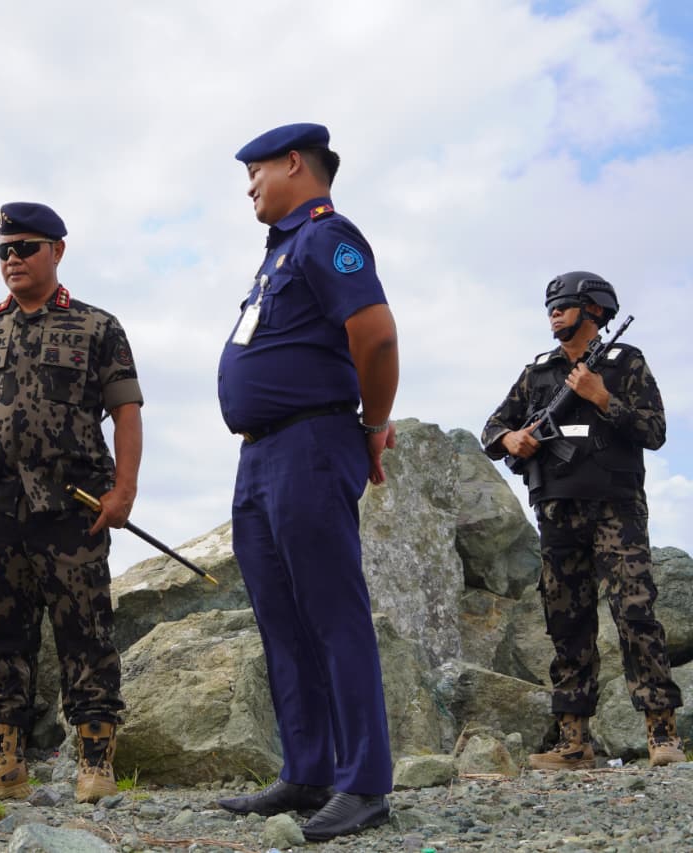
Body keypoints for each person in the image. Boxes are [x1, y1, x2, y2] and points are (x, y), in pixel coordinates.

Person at [0, 201, 143, 805]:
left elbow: (126, 412)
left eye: (26, 248)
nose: (13, 259)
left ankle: (94, 765)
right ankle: (4, 764)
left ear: (57, 251)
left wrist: (124, 492)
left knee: (86, 632)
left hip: (72, 507)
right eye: (4, 251)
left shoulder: (98, 327)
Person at [213, 123, 399, 842]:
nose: (249, 185)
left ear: (295, 163)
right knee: (281, 620)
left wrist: (374, 424)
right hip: (260, 456)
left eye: (255, 170)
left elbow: (376, 334)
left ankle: (364, 783)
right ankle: (308, 768)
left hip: (311, 444)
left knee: (332, 614)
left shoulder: (327, 236)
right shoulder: (281, 252)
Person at [481, 272, 683, 770]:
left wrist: (600, 397)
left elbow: (654, 431)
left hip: (616, 510)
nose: (553, 312)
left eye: (564, 305)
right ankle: (574, 743)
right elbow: (492, 428)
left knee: (635, 616)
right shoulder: (538, 373)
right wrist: (512, 441)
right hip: (557, 511)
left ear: (592, 311)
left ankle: (662, 735)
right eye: (550, 306)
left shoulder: (625, 362)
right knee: (566, 624)